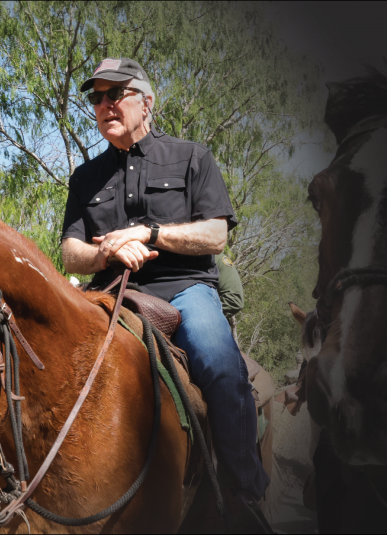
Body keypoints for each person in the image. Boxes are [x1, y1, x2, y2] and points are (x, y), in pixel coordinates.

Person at [59, 58, 270, 531]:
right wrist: (107, 253)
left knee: (219, 363)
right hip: (108, 293)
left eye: (116, 94)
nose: (105, 104)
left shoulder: (192, 157)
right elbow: (72, 251)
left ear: (146, 102)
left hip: (184, 289)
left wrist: (149, 235)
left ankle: (243, 496)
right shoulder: (85, 178)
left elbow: (216, 235)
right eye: (97, 97)